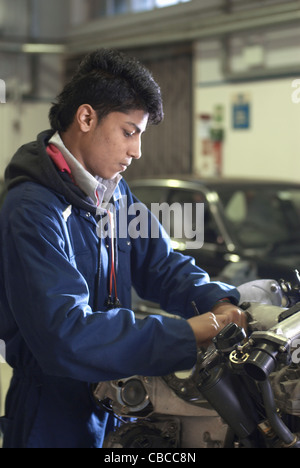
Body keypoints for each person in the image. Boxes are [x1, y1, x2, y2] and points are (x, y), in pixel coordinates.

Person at [0, 49, 245, 448]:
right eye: (130, 132)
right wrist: (184, 334)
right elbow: (65, 334)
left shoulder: (111, 193)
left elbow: (160, 263)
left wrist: (216, 302)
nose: (138, 151)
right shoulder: (32, 209)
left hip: (115, 400)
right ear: (85, 118)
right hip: (53, 413)